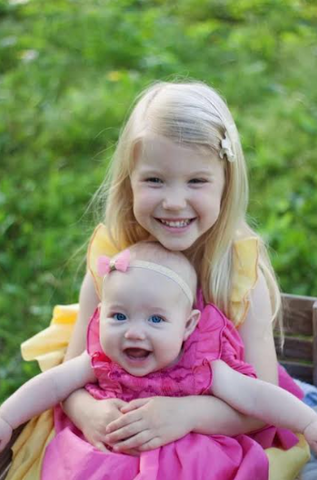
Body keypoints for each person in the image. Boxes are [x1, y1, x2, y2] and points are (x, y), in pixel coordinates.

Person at [5, 81, 310, 480]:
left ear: (226, 183)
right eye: (154, 180)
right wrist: (90, 412)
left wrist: (185, 415)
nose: (174, 201)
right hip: (111, 436)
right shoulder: (114, 258)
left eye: (196, 181)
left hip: (209, 436)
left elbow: (259, 404)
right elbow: (71, 372)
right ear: (129, 180)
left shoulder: (237, 272)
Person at [1, 243, 317, 480]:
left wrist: (307, 421)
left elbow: (256, 394)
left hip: (187, 463)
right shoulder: (99, 359)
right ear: (101, 315)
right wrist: (7, 418)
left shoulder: (200, 365)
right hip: (108, 458)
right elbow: (54, 383)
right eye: (119, 316)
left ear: (188, 326)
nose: (134, 332)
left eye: (155, 319)